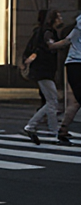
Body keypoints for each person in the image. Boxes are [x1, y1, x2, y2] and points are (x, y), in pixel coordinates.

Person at [21, 10, 62, 144]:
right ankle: (52, 131)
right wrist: (67, 41)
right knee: (52, 101)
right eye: (58, 16)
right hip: (43, 70)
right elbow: (49, 47)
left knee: (51, 101)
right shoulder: (47, 33)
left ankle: (33, 126)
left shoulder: (42, 32)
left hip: (43, 70)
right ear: (53, 19)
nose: (61, 18)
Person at [44, 13, 81, 146]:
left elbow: (67, 40)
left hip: (74, 64)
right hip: (76, 64)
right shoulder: (80, 22)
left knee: (76, 102)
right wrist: (50, 46)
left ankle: (63, 129)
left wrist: (53, 46)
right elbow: (67, 40)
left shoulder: (77, 25)